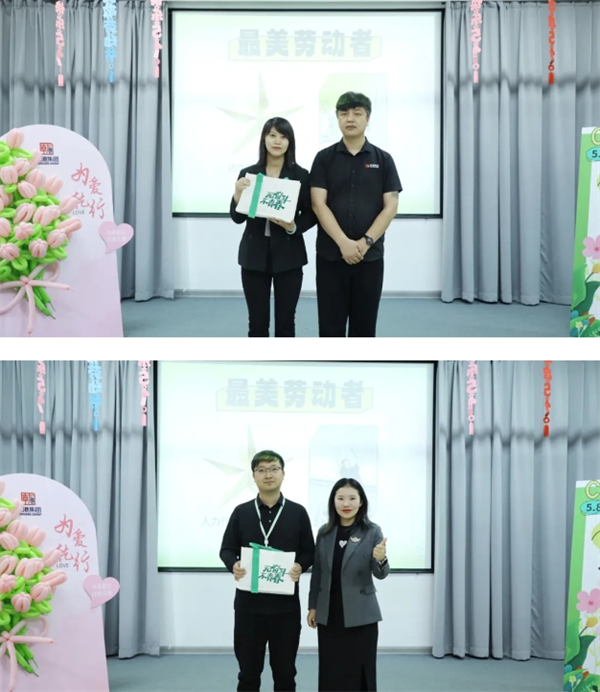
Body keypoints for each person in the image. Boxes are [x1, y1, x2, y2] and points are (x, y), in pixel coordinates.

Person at [220, 450, 315, 692]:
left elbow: (309, 551)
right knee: (248, 673)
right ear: (253, 476)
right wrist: (233, 565)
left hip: (285, 609)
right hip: (248, 608)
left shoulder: (297, 512)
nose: (268, 475)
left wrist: (300, 566)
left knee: (285, 673)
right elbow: (226, 549)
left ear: (283, 473)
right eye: (261, 470)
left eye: (273, 469)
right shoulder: (241, 512)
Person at [310, 92, 402, 337]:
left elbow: (391, 206)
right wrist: (343, 243)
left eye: (357, 113)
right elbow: (318, 204)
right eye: (344, 113)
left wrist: (365, 242)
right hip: (331, 256)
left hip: (369, 257)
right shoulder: (323, 158)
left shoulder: (384, 159)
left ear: (367, 118)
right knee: (330, 327)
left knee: (364, 327)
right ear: (338, 118)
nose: (350, 118)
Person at [230, 118, 316, 337]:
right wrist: (237, 195)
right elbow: (237, 218)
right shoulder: (249, 174)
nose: (278, 141)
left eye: (283, 137)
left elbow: (310, 214)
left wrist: (293, 226)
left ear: (290, 142)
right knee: (257, 322)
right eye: (273, 135)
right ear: (264, 139)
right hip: (254, 257)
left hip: (289, 257)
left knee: (286, 322)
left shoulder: (300, 175)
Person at [307, 478, 389, 692]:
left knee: (361, 670)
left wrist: (380, 558)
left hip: (361, 615)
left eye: (352, 498)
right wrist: (312, 606)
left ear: (361, 502)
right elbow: (318, 572)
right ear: (333, 501)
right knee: (331, 669)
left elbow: (380, 574)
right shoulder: (324, 532)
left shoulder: (372, 531)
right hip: (329, 613)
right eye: (340, 498)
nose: (346, 503)